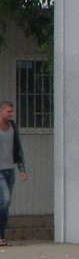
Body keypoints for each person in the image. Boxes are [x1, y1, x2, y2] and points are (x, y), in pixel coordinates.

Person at [0, 101, 28, 247]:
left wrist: (22, 169)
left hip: (9, 169)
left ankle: (1, 235)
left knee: (6, 203)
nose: (11, 114)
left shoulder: (12, 127)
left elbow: (17, 147)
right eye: (9, 112)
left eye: (12, 112)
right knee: (4, 200)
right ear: (1, 111)